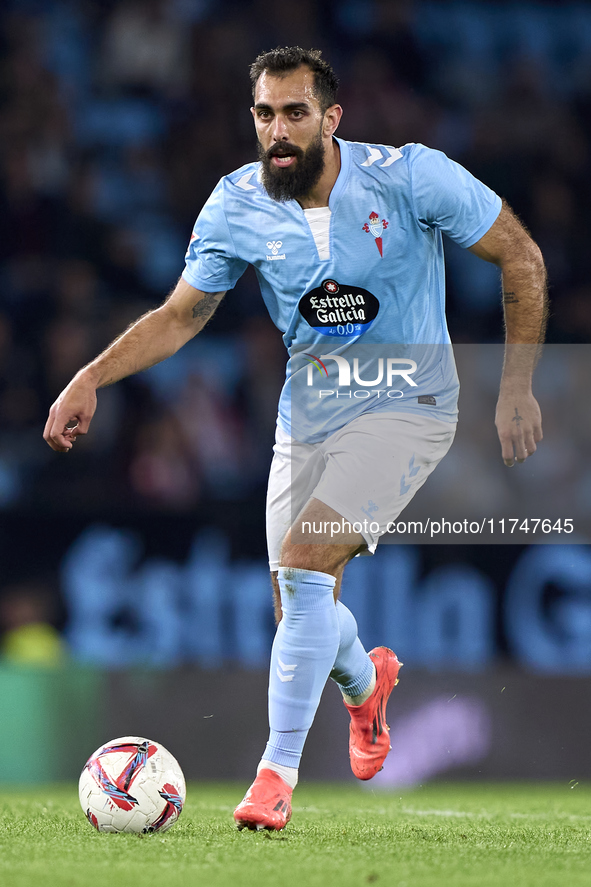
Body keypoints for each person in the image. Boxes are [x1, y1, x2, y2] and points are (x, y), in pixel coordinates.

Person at [44, 46, 547, 831]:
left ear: (330, 118)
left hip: (409, 403)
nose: (277, 130)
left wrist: (515, 385)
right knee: (299, 608)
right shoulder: (236, 202)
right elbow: (182, 313)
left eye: (294, 113)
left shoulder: (410, 177)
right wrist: (92, 376)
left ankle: (273, 777)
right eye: (264, 114)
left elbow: (519, 253)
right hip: (306, 412)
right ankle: (364, 686)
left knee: (309, 557)